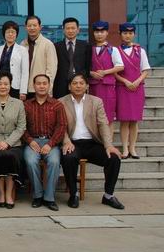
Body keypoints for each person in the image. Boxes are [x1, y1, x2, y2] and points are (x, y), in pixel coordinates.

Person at [60, 73, 124, 209]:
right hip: (73, 143)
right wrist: (66, 141)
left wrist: (108, 145)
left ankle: (108, 196)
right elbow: (60, 125)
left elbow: (103, 124)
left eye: (81, 83)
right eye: (74, 83)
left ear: (87, 86)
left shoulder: (96, 101)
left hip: (92, 143)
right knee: (68, 157)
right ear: (69, 87)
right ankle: (73, 194)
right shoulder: (61, 102)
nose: (78, 86)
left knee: (113, 158)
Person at [22, 74, 67, 211]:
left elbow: (62, 126)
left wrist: (51, 143)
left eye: (44, 83)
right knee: (31, 161)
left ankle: (49, 198)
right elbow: (21, 126)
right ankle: (37, 195)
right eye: (38, 83)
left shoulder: (57, 105)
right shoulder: (26, 105)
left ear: (49, 85)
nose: (41, 86)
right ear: (33, 86)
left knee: (54, 162)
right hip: (32, 141)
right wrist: (29, 140)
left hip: (51, 141)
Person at [0, 71, 26, 209]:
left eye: (6, 84)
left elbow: (21, 127)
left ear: (10, 85)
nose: (3, 87)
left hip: (14, 143)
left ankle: (9, 194)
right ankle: (1, 193)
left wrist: (7, 143)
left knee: (11, 156)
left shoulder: (18, 103)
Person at [115, 22, 151, 159]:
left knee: (135, 120)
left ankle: (132, 148)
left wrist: (137, 81)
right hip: (122, 88)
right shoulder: (116, 51)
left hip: (137, 88)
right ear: (120, 34)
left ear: (134, 34)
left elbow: (145, 69)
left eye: (130, 33)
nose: (128, 36)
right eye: (125, 33)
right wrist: (125, 81)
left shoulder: (140, 51)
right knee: (124, 120)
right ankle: (125, 148)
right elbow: (114, 72)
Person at [88, 21, 124, 139]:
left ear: (107, 33)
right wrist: (91, 73)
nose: (99, 34)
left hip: (107, 87)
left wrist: (105, 72)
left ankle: (109, 143)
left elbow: (120, 66)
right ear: (93, 33)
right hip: (93, 87)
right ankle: (97, 143)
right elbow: (84, 66)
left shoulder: (112, 49)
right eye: (97, 32)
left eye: (102, 31)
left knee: (108, 117)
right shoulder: (89, 49)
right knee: (93, 117)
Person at [54, 17, 92, 99]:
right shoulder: (56, 46)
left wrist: (85, 81)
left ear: (78, 30)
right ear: (63, 30)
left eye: (73, 28)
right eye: (67, 28)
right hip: (61, 84)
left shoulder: (85, 45)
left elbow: (88, 65)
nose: (70, 31)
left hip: (79, 83)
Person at [21, 15, 57, 99]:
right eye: (29, 26)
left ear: (40, 27)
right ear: (25, 27)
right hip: (24, 90)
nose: (32, 28)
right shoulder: (22, 44)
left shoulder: (48, 44)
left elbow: (51, 70)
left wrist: (48, 89)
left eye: (34, 25)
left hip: (41, 89)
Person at [0, 20, 29, 100]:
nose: (10, 34)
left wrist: (23, 91)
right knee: (1, 106)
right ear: (4, 34)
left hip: (15, 86)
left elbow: (25, 72)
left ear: (16, 34)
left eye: (13, 32)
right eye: (8, 32)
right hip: (0, 86)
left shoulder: (23, 50)